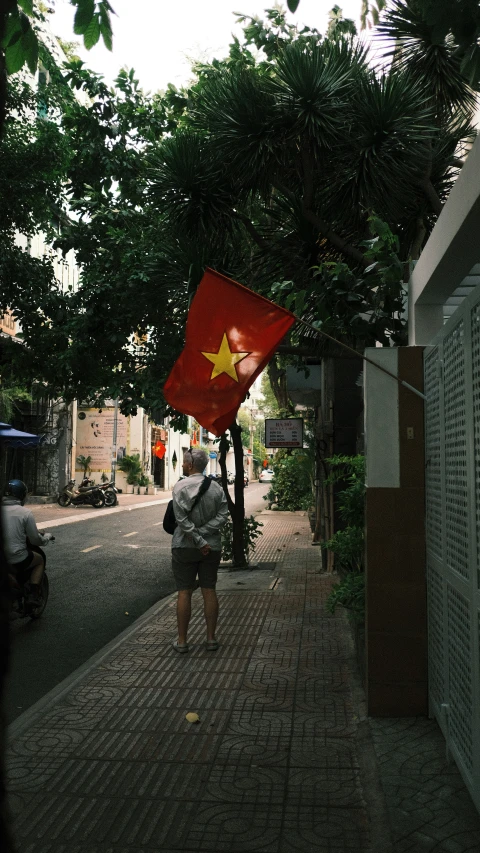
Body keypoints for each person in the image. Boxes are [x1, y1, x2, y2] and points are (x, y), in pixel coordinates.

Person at [171, 448, 229, 653]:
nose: (183, 465)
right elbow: (223, 515)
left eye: (184, 463)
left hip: (184, 547)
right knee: (209, 590)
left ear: (189, 465)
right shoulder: (216, 488)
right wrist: (204, 537)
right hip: (211, 548)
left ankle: (182, 641)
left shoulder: (180, 487)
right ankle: (211, 639)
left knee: (184, 592)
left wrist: (196, 537)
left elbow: (181, 519)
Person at [2, 479, 53, 609]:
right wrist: (46, 537)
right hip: (16, 557)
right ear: (21, 495)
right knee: (40, 560)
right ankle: (33, 595)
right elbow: (35, 540)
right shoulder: (25, 513)